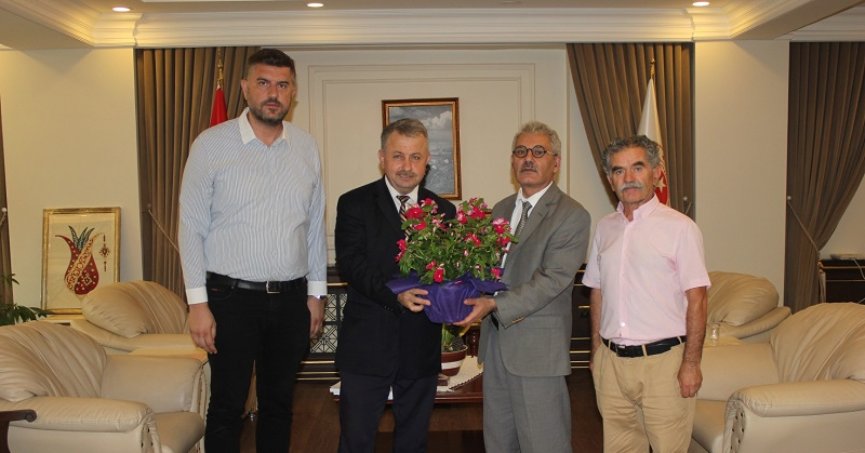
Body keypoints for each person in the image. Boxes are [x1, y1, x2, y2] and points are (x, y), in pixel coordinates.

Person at [179, 48, 327, 453]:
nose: (273, 93)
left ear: (293, 92)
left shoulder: (306, 147)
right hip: (230, 300)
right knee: (227, 406)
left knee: (279, 405)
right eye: (263, 83)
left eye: (282, 85)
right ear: (246, 88)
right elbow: (191, 227)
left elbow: (314, 226)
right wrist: (197, 304)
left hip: (292, 300)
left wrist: (316, 294)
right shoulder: (211, 145)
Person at [456, 121, 591, 452]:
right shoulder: (501, 209)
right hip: (495, 347)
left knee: (544, 443)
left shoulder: (572, 215)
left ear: (556, 163)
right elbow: (489, 271)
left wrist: (494, 305)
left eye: (539, 151)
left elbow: (552, 279)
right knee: (499, 443)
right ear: (512, 161)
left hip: (537, 351)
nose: (528, 158)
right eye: (521, 151)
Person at [334, 118, 457, 453]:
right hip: (367, 346)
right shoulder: (354, 203)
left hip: (420, 346)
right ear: (382, 158)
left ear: (427, 161)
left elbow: (448, 273)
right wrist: (396, 295)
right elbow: (352, 265)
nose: (407, 166)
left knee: (413, 443)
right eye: (398, 156)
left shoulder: (443, 211)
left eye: (416, 157)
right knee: (356, 441)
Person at [582, 135, 709, 452]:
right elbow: (597, 291)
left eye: (637, 168)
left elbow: (698, 299)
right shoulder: (604, 228)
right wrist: (597, 351)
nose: (628, 178)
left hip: (664, 365)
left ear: (656, 172)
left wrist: (691, 363)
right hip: (611, 364)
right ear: (610, 179)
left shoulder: (680, 228)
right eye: (618, 170)